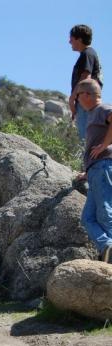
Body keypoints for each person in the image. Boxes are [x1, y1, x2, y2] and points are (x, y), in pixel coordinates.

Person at [77, 79, 112, 262]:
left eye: (79, 96)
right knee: (88, 218)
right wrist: (88, 171)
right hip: (96, 170)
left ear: (88, 95)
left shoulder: (101, 109)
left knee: (105, 214)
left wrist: (104, 146)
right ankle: (107, 247)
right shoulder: (94, 113)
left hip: (103, 167)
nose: (78, 101)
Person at [69, 24, 103, 142]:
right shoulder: (90, 53)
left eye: (72, 39)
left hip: (85, 99)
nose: (69, 42)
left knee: (86, 139)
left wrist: (72, 99)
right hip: (88, 100)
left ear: (79, 39)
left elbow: (85, 78)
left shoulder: (87, 54)